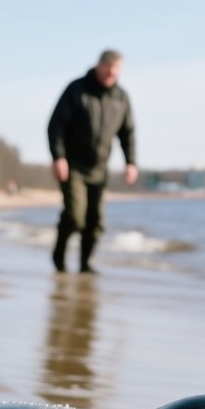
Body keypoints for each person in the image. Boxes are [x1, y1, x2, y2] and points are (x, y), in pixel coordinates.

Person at [47, 49, 137, 273]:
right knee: (75, 215)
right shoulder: (77, 89)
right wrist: (58, 157)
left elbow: (127, 133)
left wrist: (131, 162)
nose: (112, 74)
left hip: (100, 168)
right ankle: (59, 256)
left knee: (95, 221)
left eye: (117, 71)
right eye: (109, 69)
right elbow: (56, 125)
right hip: (73, 165)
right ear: (99, 65)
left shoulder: (121, 97)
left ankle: (86, 264)